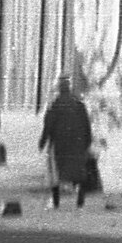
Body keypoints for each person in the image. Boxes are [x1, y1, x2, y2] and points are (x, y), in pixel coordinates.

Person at [38, 76, 95, 211]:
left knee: (56, 174)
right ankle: (80, 200)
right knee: (78, 172)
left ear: (59, 89)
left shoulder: (55, 106)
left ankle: (56, 201)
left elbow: (48, 126)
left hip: (59, 145)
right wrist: (87, 142)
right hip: (77, 144)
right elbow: (87, 126)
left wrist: (42, 142)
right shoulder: (79, 105)